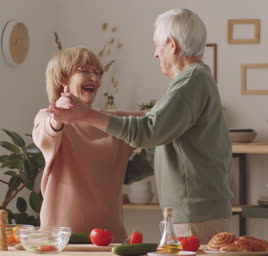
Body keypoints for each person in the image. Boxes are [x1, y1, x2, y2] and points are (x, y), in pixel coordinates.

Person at [49, 8, 233, 243]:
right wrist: (110, 174)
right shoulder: (193, 81)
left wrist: (87, 115)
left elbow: (147, 132)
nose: (156, 54)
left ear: (172, 45)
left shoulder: (191, 82)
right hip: (194, 213)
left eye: (157, 45)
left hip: (195, 216)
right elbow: (157, 148)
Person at [32, 46, 143, 242]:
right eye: (85, 71)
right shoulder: (48, 117)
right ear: (62, 78)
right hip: (60, 238)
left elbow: (156, 122)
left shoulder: (114, 121)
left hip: (110, 237)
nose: (94, 78)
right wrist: (59, 116)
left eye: (97, 72)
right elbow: (46, 134)